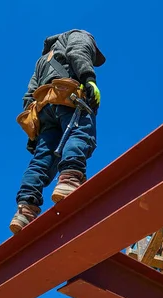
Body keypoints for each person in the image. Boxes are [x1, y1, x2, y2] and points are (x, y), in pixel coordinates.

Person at [10, 29, 106, 234]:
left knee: (42, 158)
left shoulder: (42, 59)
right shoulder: (81, 35)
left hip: (44, 108)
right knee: (81, 133)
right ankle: (70, 177)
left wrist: (34, 129)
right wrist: (89, 78)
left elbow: (29, 95)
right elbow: (78, 52)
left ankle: (25, 209)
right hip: (68, 96)